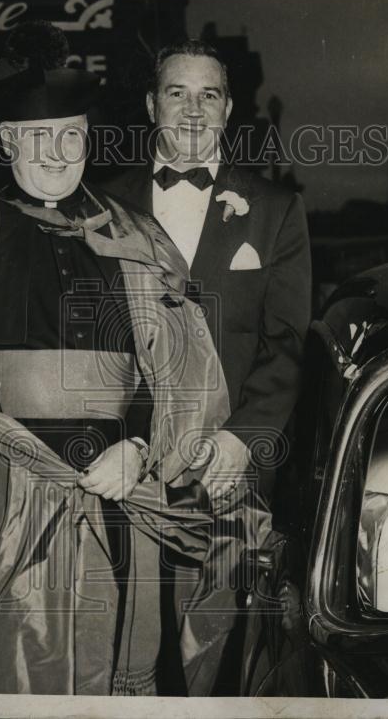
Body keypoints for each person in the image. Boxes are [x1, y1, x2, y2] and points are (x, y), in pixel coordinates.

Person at [0, 22, 235, 695]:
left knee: (114, 665)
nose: (56, 153)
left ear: (89, 139)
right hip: (0, 496)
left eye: (70, 135)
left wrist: (140, 449)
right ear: (6, 142)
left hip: (117, 487)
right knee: (5, 673)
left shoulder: (139, 240)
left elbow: (182, 372)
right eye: (37, 137)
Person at [102, 39, 313, 695]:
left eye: (209, 95)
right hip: (129, 470)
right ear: (149, 105)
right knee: (130, 659)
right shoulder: (101, 205)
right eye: (176, 93)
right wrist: (124, 440)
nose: (193, 112)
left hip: (231, 479)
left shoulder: (275, 210)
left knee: (226, 668)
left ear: (228, 112)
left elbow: (287, 344)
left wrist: (240, 438)